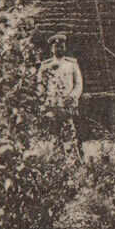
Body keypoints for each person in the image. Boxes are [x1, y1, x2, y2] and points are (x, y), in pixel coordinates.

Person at [37, 32, 85, 160]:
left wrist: (72, 97)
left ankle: (75, 158)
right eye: (57, 46)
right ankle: (56, 158)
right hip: (53, 105)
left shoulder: (72, 64)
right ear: (52, 49)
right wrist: (45, 100)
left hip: (68, 105)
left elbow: (78, 84)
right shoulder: (45, 65)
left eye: (62, 46)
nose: (60, 49)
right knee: (54, 133)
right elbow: (40, 85)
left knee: (71, 132)